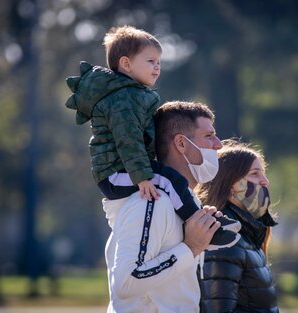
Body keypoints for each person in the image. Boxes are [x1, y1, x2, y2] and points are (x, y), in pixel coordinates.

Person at [64, 25, 239, 249]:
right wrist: (142, 176)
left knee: (170, 180)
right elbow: (128, 140)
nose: (157, 68)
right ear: (126, 64)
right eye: (150, 62)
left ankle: (204, 220)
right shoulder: (122, 99)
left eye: (159, 63)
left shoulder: (133, 95)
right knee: (170, 180)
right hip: (116, 173)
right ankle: (202, 228)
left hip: (127, 169)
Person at [102, 101, 230, 312]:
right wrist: (191, 248)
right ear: (181, 143)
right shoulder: (153, 200)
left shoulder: (185, 202)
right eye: (209, 136)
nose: (219, 144)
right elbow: (125, 282)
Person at [197, 139, 280, 313]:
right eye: (255, 174)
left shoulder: (248, 234)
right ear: (230, 186)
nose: (265, 181)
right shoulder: (224, 238)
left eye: (263, 173)